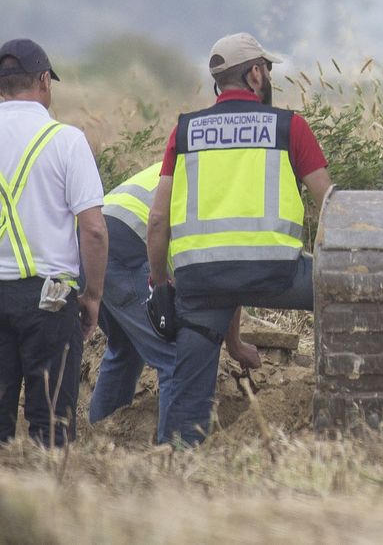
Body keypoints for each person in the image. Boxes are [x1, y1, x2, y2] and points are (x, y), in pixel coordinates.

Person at [146, 33, 333, 445]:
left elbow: (157, 220)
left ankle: (174, 467)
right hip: (278, 273)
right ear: (254, 74)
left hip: (201, 282)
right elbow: (333, 205)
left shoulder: (185, 132)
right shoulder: (290, 127)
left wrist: (161, 285)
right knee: (341, 294)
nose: (267, 77)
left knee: (187, 396)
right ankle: (347, 400)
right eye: (266, 69)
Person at [0, 39, 108, 447]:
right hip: (52, 297)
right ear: (45, 81)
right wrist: (93, 296)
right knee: (52, 429)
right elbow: (94, 230)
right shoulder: (67, 140)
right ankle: (47, 504)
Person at [89, 162, 260, 441]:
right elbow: (230, 276)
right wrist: (235, 344)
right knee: (175, 356)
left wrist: (233, 342)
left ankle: (97, 442)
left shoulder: (197, 162)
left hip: (92, 244)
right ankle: (173, 458)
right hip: (126, 250)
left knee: (125, 348)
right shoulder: (231, 192)